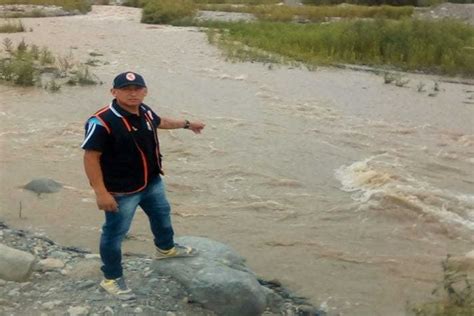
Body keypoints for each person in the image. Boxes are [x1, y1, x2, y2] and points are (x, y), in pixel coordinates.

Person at [81, 71, 205, 299]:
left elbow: (162, 122)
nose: (133, 93)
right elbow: (90, 157)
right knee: (114, 234)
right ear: (113, 92)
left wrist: (188, 124)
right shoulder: (102, 121)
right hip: (121, 191)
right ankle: (111, 278)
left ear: (145, 91)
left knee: (162, 215)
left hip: (151, 182)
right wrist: (100, 192)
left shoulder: (145, 111)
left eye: (138, 89)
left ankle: (166, 249)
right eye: (126, 89)